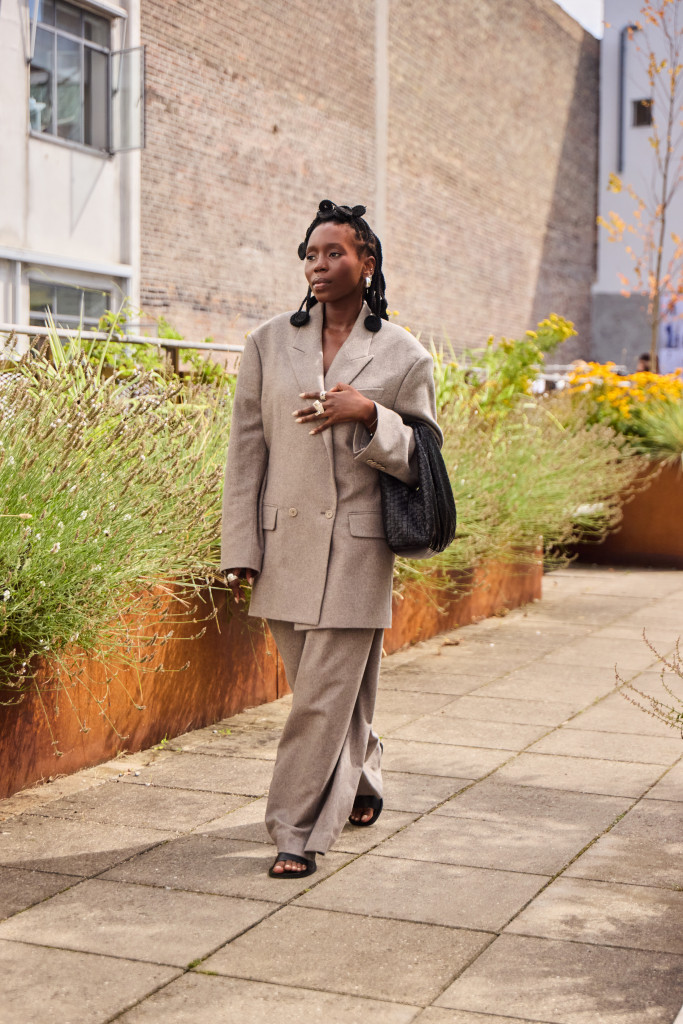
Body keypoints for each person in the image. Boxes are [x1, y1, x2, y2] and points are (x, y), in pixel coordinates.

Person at [220, 199, 441, 878]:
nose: (319, 264)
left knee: (319, 698)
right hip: (282, 544)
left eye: (334, 253)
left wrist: (369, 412)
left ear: (365, 263)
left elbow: (424, 456)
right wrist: (239, 547)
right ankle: (364, 777)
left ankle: (295, 832)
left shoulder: (402, 354)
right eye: (310, 254)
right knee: (327, 695)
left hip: (357, 549)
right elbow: (246, 449)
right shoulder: (266, 342)